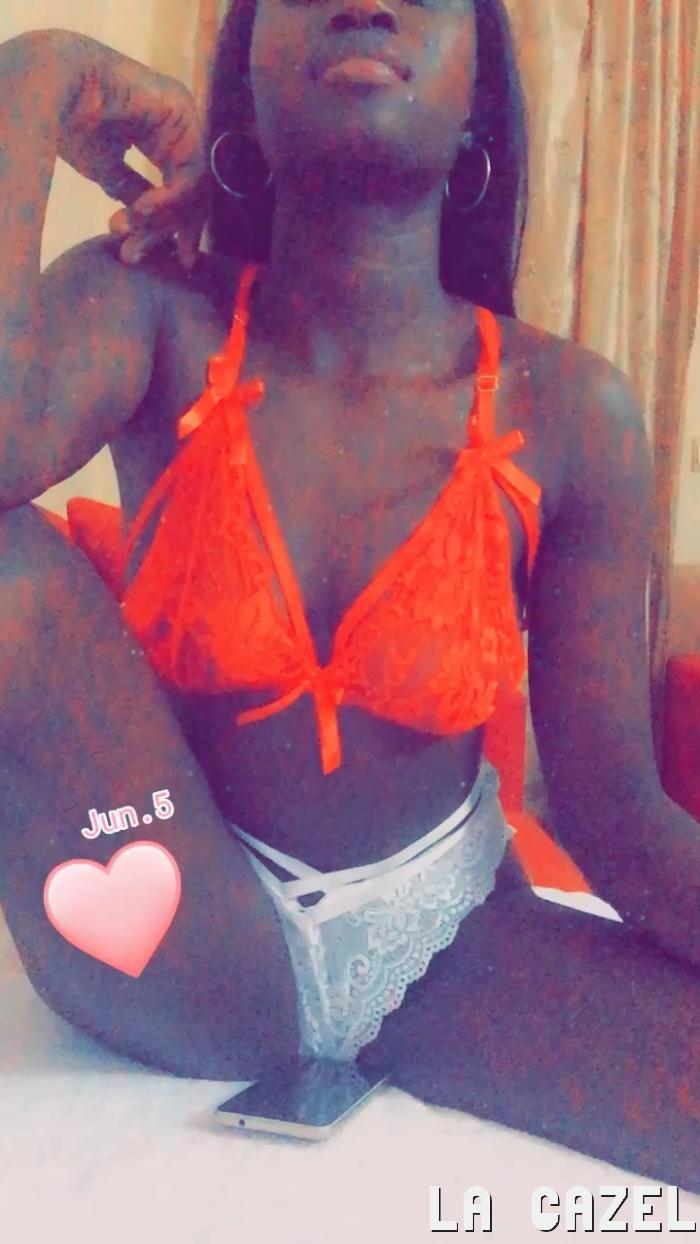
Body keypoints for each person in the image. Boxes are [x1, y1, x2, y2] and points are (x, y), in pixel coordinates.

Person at [0, 2, 698, 1191]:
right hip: (183, 932)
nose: (369, 1)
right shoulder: (146, 310)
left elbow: (616, 815)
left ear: (480, 97)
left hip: (448, 945)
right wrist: (33, 79)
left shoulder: (573, 410)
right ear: (241, 79)